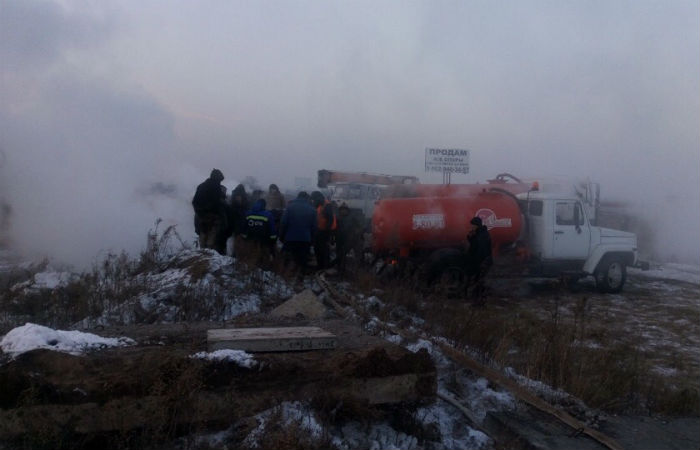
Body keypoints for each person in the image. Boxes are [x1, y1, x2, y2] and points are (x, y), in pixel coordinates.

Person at [279, 191, 317, 276]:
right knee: (302, 260)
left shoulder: (289, 207)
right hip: (305, 239)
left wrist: (281, 236)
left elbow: (283, 223)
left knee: (288, 258)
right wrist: (312, 240)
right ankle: (300, 278)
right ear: (307, 198)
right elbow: (314, 227)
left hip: (290, 238)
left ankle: (284, 276)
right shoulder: (312, 209)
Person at [192, 169, 228, 254]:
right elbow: (217, 203)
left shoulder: (201, 186)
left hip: (201, 217)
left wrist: (199, 213)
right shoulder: (216, 187)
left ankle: (201, 258)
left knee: (203, 239)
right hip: (213, 217)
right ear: (218, 178)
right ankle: (208, 258)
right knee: (211, 242)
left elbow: (194, 201)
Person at [466, 216, 493, 303]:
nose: (471, 227)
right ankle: (477, 299)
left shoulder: (482, 235)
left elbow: (481, 250)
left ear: (477, 225)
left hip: (482, 262)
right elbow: (474, 245)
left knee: (479, 281)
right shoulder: (478, 233)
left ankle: (480, 301)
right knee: (477, 281)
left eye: (472, 225)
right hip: (480, 261)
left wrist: (477, 263)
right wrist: (470, 237)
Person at [332, 203, 365, 274]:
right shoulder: (337, 218)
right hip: (341, 239)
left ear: (347, 210)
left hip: (353, 239)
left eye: (345, 210)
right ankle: (340, 269)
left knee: (358, 254)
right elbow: (334, 229)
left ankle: (358, 269)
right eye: (342, 210)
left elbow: (360, 227)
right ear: (340, 210)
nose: (343, 211)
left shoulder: (352, 218)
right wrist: (333, 238)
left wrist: (357, 233)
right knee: (340, 254)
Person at [243, 198, 277, 263]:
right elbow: (272, 229)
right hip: (264, 240)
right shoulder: (268, 215)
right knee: (262, 258)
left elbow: (244, 226)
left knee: (251, 257)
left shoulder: (248, 213)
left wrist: (244, 237)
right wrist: (273, 240)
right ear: (264, 205)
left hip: (250, 239)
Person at [310, 191, 337, 270]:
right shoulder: (320, 204)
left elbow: (330, 219)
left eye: (314, 199)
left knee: (323, 249)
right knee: (317, 248)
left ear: (318, 198)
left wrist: (327, 232)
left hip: (326, 231)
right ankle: (321, 265)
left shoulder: (327, 205)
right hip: (320, 230)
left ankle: (325, 266)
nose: (313, 201)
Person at [230, 184, 249, 257]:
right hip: (240, 222)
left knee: (236, 238)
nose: (238, 198)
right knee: (240, 239)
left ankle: (235, 254)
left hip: (236, 222)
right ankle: (238, 254)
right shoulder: (244, 199)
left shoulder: (233, 200)